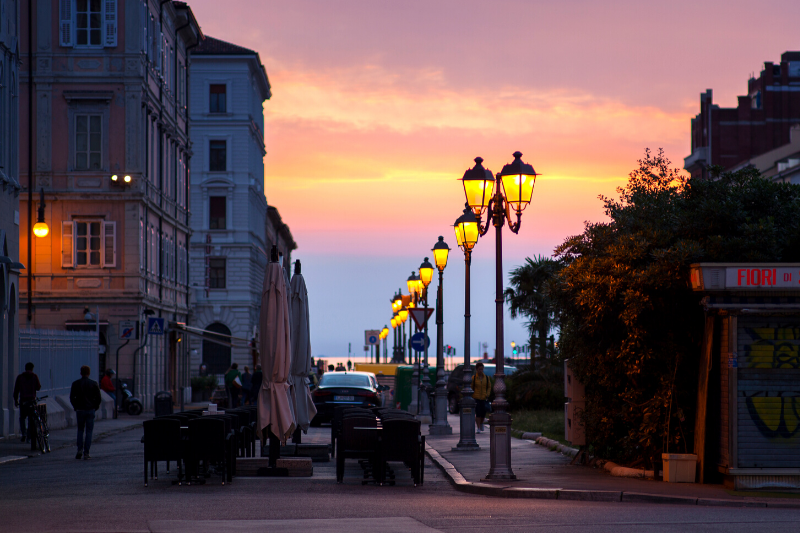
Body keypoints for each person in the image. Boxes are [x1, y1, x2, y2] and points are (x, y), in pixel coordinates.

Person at [70, 366, 102, 460]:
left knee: (80, 430)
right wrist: (95, 407)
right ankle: (86, 452)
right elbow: (98, 398)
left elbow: (72, 397)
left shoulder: (75, 384)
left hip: (80, 409)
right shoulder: (93, 383)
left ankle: (79, 449)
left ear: (81, 373)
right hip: (90, 409)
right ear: (89, 373)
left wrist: (76, 406)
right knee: (89, 431)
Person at [13, 362, 41, 447]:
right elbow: (38, 387)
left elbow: (16, 390)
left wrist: (16, 400)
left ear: (25, 368)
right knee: (31, 419)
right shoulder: (34, 376)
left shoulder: (20, 377)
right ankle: (29, 437)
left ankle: (23, 433)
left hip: (23, 400)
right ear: (32, 368)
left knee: (22, 418)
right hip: (31, 400)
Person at [471, 362, 493, 434]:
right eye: (479, 369)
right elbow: (471, 387)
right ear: (477, 369)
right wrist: (472, 394)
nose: (481, 371)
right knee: (478, 413)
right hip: (476, 397)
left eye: (482, 369)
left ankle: (481, 423)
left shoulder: (486, 378)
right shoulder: (474, 378)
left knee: (483, 413)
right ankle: (478, 428)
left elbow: (489, 386)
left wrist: (487, 394)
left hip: (484, 397)